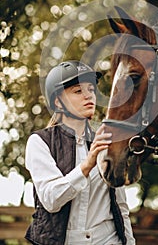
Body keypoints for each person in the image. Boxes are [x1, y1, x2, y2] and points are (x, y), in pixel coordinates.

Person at [25, 60, 136, 245]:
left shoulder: (107, 140)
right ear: (58, 102)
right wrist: (87, 165)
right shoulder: (39, 142)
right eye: (78, 91)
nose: (89, 96)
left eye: (91, 90)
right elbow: (51, 200)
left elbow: (121, 206)